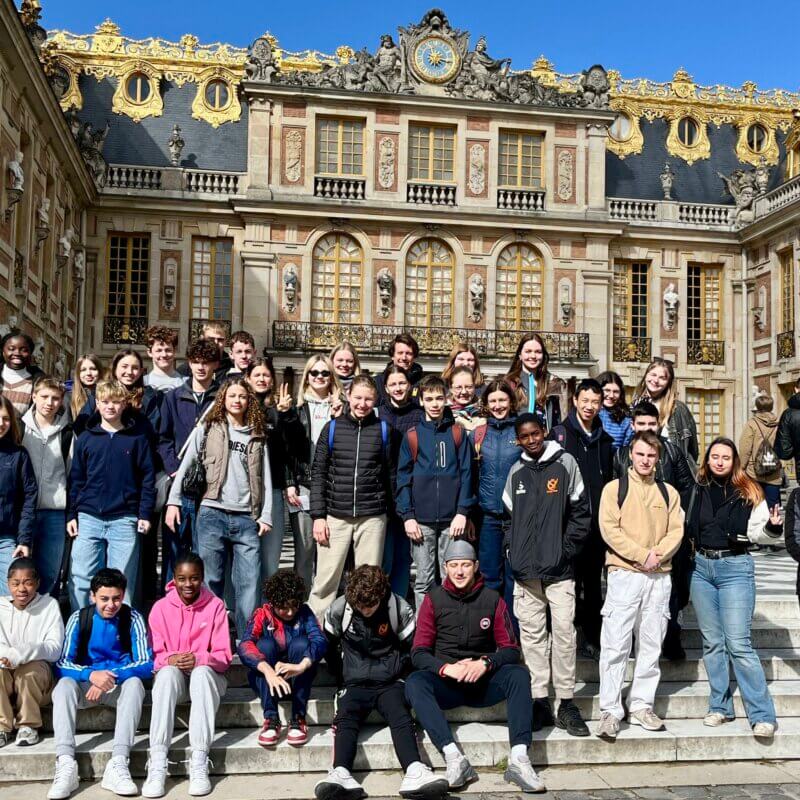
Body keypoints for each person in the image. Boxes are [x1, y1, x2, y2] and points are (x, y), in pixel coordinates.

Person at [405, 540, 543, 793]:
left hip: (483, 684)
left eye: (465, 565)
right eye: (454, 565)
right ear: (445, 567)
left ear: (476, 566)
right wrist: (446, 669)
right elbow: (419, 652)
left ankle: (520, 758)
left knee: (519, 675)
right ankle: (453, 757)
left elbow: (511, 649)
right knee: (415, 683)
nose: (459, 571)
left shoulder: (492, 599)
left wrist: (486, 662)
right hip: (448, 684)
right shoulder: (432, 600)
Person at [316, 565, 447, 800]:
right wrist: (342, 675)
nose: (365, 611)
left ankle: (415, 770)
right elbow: (328, 645)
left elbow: (412, 649)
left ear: (381, 595)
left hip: (389, 681)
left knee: (401, 716)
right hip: (354, 682)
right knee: (345, 717)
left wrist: (399, 673)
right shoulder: (339, 609)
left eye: (371, 606)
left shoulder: (399, 608)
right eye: (360, 607)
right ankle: (340, 772)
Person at [686, 437, 783, 739]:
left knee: (739, 644)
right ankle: (720, 706)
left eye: (725, 457)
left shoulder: (750, 491)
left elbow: (759, 532)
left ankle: (762, 715)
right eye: (714, 456)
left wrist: (773, 528)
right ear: (707, 460)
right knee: (713, 642)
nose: (719, 461)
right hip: (701, 569)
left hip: (735, 569)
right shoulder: (696, 491)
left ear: (734, 461)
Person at [504, 413, 591, 736]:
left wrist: (565, 551)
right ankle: (539, 698)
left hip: (559, 570)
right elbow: (507, 518)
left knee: (565, 634)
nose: (531, 440)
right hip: (526, 573)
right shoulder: (516, 471)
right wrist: (511, 552)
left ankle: (565, 700)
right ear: (518, 439)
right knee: (532, 636)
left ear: (544, 432)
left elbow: (582, 513)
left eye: (535, 434)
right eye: (524, 436)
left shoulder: (565, 463)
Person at [165, 378, 272, 637]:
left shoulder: (257, 433)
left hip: (246, 516)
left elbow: (265, 476)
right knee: (211, 580)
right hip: (212, 512)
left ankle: (248, 637)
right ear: (223, 398)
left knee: (249, 582)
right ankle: (211, 635)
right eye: (232, 395)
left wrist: (266, 514)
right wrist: (173, 501)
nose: (237, 400)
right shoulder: (209, 427)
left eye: (242, 397)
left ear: (249, 402)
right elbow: (188, 463)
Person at [595, 432, 684, 741]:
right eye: (641, 454)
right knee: (616, 644)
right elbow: (609, 529)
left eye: (651, 455)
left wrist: (656, 555)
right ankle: (610, 710)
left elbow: (676, 530)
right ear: (630, 454)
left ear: (657, 458)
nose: (645, 460)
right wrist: (640, 555)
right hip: (624, 574)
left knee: (650, 645)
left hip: (659, 576)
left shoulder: (668, 492)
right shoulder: (614, 489)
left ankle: (642, 705)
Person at [49, 568, 152, 800]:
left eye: (116, 598)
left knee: (135, 684)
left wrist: (108, 677)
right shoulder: (79, 618)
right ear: (93, 596)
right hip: (87, 689)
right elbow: (61, 663)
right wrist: (90, 675)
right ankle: (65, 762)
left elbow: (146, 663)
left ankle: (118, 762)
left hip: (117, 688)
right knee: (64, 685)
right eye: (104, 598)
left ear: (123, 595)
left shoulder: (132, 617)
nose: (111, 604)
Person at [143, 553, 232, 798]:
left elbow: (224, 658)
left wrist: (200, 658)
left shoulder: (215, 605)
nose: (188, 584)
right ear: (173, 578)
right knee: (167, 673)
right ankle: (158, 759)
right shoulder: (160, 609)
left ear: (202, 578)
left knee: (202, 673)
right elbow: (152, 655)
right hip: (177, 682)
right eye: (182, 578)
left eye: (194, 578)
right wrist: (169, 659)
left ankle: (199, 758)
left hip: (209, 678)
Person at [613, 401, 696, 659]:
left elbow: (688, 489)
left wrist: (682, 525)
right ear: (632, 425)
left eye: (652, 424)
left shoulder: (672, 452)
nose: (647, 428)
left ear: (659, 424)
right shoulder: (620, 455)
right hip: (634, 537)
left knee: (672, 590)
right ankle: (636, 641)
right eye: (641, 424)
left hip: (669, 535)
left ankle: (671, 637)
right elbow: (614, 493)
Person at [308, 375, 393, 617]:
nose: (362, 404)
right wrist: (318, 516)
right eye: (358, 398)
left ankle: (363, 633)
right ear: (348, 396)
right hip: (335, 516)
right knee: (326, 581)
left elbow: (391, 475)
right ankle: (317, 636)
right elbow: (319, 473)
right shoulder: (332, 428)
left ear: (375, 400)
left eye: (368, 399)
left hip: (372, 517)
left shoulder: (383, 430)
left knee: (369, 583)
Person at [67, 380, 156, 610]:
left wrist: (144, 513)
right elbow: (76, 479)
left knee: (122, 581)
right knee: (81, 578)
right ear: (97, 404)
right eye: (105, 402)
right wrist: (71, 515)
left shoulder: (137, 439)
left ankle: (119, 634)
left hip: (124, 518)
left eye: (116, 402)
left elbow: (147, 478)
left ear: (124, 404)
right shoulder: (86, 438)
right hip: (88, 517)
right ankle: (84, 626)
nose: (110, 407)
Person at [396, 375, 475, 609]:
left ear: (447, 399)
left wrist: (463, 511)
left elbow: (468, 474)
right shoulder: (412, 435)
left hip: (453, 521)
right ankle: (424, 635)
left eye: (439, 398)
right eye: (429, 399)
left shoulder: (457, 434)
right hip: (422, 522)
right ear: (421, 401)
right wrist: (408, 516)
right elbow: (403, 479)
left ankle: (449, 629)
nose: (434, 404)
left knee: (452, 578)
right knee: (423, 580)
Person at [550, 379, 614, 659]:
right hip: (568, 525)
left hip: (597, 525)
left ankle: (592, 638)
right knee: (566, 586)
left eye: (595, 402)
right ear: (575, 400)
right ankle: (565, 639)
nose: (589, 407)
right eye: (585, 401)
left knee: (593, 586)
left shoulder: (605, 439)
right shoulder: (559, 435)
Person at [239, 569, 326, 747]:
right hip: (269, 680)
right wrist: (268, 670)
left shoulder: (305, 612)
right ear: (272, 602)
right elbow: (244, 645)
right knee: (264, 645)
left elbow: (320, 639)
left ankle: (298, 718)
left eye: (293, 605)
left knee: (302, 644)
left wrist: (302, 665)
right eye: (283, 607)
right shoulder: (262, 614)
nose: (289, 612)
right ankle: (271, 717)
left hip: (297, 677)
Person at [157, 337, 220, 580]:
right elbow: (163, 438)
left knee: (206, 549)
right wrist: (175, 470)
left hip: (211, 485)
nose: (200, 367)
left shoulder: (222, 397)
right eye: (195, 362)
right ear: (189, 364)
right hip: (180, 484)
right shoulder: (173, 397)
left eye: (206, 362)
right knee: (176, 549)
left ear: (215, 365)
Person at [287, 355, 343, 590]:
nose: (319, 377)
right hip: (304, 485)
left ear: (332, 378)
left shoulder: (343, 409)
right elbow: (288, 448)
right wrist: (290, 481)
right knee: (305, 551)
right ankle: (301, 607)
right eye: (314, 373)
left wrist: (341, 418)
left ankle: (326, 610)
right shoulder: (296, 408)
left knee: (330, 553)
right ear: (307, 377)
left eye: (325, 373)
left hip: (333, 487)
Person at [470, 379, 520, 620]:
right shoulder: (479, 434)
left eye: (502, 400)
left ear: (510, 401)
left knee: (514, 578)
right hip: (488, 517)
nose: (498, 405)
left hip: (516, 517)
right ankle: (489, 630)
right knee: (489, 577)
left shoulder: (520, 431)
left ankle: (512, 636)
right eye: (493, 401)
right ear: (486, 404)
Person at [0, 558, 63, 748]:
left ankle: (28, 725)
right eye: (16, 583)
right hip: (5, 669)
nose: (22, 589)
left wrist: (22, 653)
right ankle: (2, 726)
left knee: (27, 671)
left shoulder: (49, 606)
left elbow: (54, 649)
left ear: (37, 583)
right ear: (8, 583)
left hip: (39, 678)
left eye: (28, 583)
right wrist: (7, 657)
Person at [22, 377, 72, 596]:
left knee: (50, 571)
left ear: (62, 401)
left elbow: (72, 473)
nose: (49, 403)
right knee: (20, 569)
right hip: (23, 510)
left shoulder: (68, 433)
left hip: (54, 511)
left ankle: (45, 618)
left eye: (55, 398)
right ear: (34, 396)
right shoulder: (19, 428)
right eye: (44, 397)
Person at [246, 357, 294, 582]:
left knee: (270, 558)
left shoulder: (277, 411)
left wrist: (284, 415)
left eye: (266, 375)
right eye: (257, 375)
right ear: (248, 378)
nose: (262, 379)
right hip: (242, 492)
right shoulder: (238, 407)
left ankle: (266, 609)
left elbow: (287, 450)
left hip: (272, 489)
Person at [377, 366, 424, 598]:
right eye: (393, 384)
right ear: (386, 388)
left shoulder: (420, 414)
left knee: (404, 557)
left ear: (410, 386)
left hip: (410, 492)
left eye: (402, 383)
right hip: (383, 492)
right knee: (384, 556)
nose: (398, 388)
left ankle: (400, 607)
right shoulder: (377, 414)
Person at [631, 358, 698, 465]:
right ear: (646, 376)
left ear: (668, 383)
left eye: (662, 378)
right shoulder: (634, 405)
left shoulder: (678, 409)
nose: (656, 380)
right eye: (653, 375)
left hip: (673, 470)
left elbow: (692, 449)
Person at [0, 395, 37, 582]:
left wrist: (23, 540)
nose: (1, 423)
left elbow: (29, 498)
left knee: (11, 593)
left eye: (6, 418)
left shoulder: (18, 455)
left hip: (6, 538)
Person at [505, 333, 568, 431]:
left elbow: (564, 416)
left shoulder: (554, 383)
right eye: (528, 351)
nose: (533, 356)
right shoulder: (509, 383)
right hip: (517, 440)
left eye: (538, 352)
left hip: (548, 440)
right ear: (520, 355)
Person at [739, 393, 782, 508]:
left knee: (753, 506)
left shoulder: (752, 424)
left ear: (757, 407)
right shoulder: (779, 424)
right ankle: (773, 526)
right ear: (771, 407)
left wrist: (741, 468)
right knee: (773, 509)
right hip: (773, 471)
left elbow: (745, 449)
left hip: (754, 472)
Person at [110, 349, 161, 435]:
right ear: (115, 368)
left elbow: (154, 430)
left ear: (141, 371)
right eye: (124, 366)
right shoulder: (100, 394)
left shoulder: (149, 397)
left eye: (135, 368)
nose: (129, 372)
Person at [0, 332, 44, 418]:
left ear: (30, 353)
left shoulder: (40, 382)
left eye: (24, 350)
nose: (17, 353)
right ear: (3, 352)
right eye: (11, 349)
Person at [374, 334, 423, 405]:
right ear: (392, 356)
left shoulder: (423, 384)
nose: (404, 358)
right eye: (400, 353)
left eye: (408, 353)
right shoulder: (377, 383)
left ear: (414, 356)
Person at [67, 354, 103, 436]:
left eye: (93, 369)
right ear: (78, 373)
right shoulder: (68, 397)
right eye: (83, 370)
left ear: (100, 371)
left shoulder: (109, 396)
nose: (88, 373)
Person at [597, 371, 633, 451]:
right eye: (607, 390)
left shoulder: (626, 418)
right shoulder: (589, 413)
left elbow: (626, 448)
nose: (611, 396)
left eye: (616, 392)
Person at [143, 326, 184, 394]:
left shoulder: (186, 383)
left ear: (174, 352)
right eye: (159, 350)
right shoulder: (143, 383)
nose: (164, 355)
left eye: (168, 350)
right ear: (150, 352)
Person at [447, 366, 485, 433]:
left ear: (474, 387)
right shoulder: (443, 414)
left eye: (469, 387)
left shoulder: (485, 411)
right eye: (458, 387)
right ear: (450, 388)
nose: (464, 392)